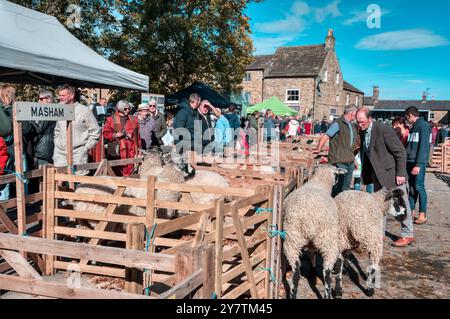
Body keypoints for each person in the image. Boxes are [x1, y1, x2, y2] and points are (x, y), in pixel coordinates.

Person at [356, 108, 414, 247]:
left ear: (369, 119)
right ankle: (378, 234)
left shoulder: (383, 129)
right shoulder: (364, 131)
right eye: (358, 122)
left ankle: (408, 234)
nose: (359, 125)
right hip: (377, 175)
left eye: (362, 122)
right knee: (379, 206)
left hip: (392, 174)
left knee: (401, 203)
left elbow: (400, 152)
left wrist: (400, 173)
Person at [53, 85, 100, 176]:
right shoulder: (58, 109)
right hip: (60, 151)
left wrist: (86, 147)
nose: (60, 98)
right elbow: (57, 129)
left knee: (79, 179)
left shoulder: (84, 110)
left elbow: (95, 131)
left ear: (71, 96)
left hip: (78, 152)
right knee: (59, 179)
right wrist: (57, 141)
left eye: (63, 95)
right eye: (60, 95)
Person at [314, 105, 358, 197]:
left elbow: (350, 145)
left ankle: (342, 205)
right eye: (355, 114)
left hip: (349, 160)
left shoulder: (352, 125)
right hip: (339, 160)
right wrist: (319, 148)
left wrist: (353, 159)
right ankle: (332, 202)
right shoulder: (338, 124)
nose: (356, 116)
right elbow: (326, 136)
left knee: (346, 186)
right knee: (338, 185)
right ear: (351, 113)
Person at [405, 106, 431, 225]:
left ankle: (423, 213)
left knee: (419, 187)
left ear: (410, 115)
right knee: (411, 188)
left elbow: (424, 147)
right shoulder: (413, 127)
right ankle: (410, 212)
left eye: (407, 117)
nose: (406, 120)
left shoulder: (424, 126)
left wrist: (419, 164)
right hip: (410, 161)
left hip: (417, 163)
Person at [103, 100, 140, 176]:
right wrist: (115, 135)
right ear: (120, 109)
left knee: (129, 176)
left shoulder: (133, 120)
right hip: (116, 152)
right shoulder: (111, 119)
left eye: (129, 108)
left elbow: (137, 137)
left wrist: (138, 151)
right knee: (115, 175)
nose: (128, 110)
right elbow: (105, 133)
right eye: (125, 109)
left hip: (130, 152)